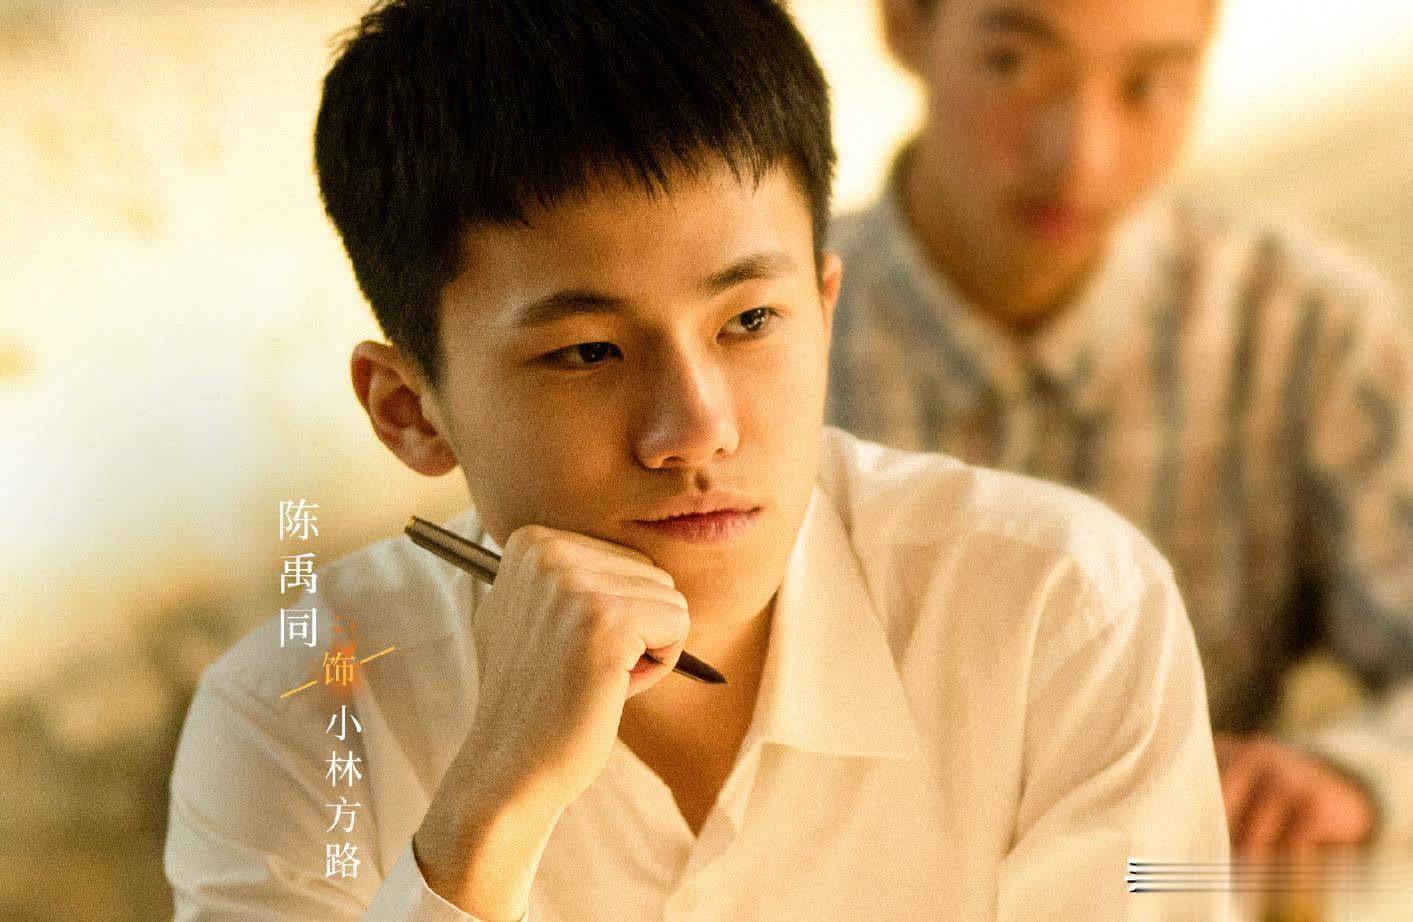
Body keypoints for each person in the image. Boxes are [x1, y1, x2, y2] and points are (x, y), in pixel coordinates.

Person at [164, 1, 1229, 919]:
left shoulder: (1067, 605)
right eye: (587, 352)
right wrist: (493, 806)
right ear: (410, 411)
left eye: (750, 320)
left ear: (825, 309)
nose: (695, 427)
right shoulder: (297, 718)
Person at [828, 0, 1413, 856]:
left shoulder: (1303, 326)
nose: (1080, 159)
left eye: (1148, 85)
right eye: (1012, 66)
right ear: (904, 25)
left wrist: (1351, 776)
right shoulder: (741, 330)